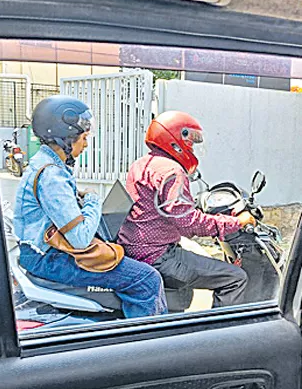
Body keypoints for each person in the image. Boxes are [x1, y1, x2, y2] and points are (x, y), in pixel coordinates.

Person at [14, 95, 167, 318]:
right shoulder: (52, 176)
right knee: (146, 280)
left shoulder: (48, 165)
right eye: (83, 138)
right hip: (48, 259)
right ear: (65, 138)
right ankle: (145, 346)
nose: (85, 144)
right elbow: (81, 239)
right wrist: (93, 201)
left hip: (42, 253)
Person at [118, 111, 255, 307]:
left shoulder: (141, 164)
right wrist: (236, 222)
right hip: (158, 256)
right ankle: (221, 335)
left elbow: (162, 207)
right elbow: (187, 223)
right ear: (175, 140)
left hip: (136, 248)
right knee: (235, 278)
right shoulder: (172, 171)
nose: (191, 148)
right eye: (190, 142)